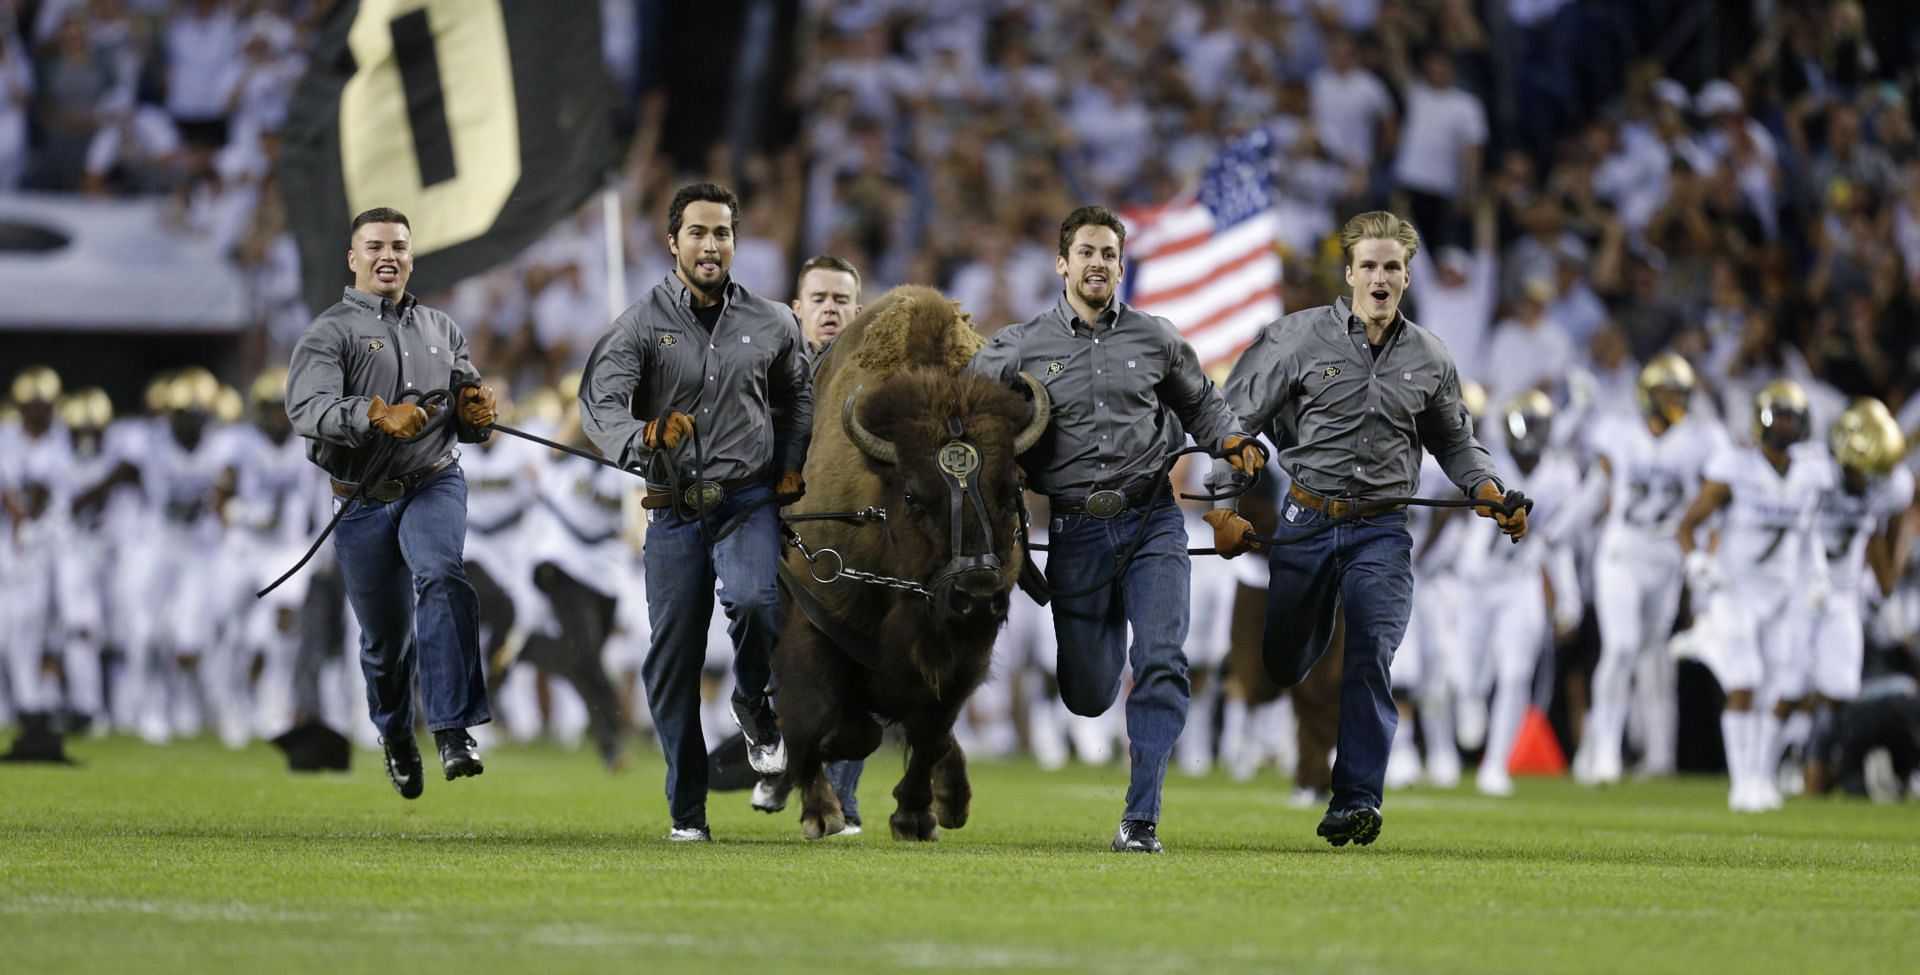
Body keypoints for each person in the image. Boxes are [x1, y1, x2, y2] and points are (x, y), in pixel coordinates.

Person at [1210, 210, 1526, 847]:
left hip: (1381, 528)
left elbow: (1457, 444)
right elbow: (1233, 422)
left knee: (1370, 655)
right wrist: (1224, 506)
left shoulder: (1431, 357)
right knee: (1283, 661)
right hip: (1304, 520)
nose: (1380, 278)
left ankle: (1356, 798)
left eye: (1393, 267)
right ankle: (1288, 676)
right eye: (1370, 266)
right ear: (1349, 273)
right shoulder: (1294, 340)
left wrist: (1487, 490)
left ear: (1407, 277)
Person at [970, 205, 1262, 854]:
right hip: (1076, 530)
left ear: (1121, 264)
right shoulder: (1018, 346)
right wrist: (998, 454)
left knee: (1162, 658)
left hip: (1152, 518)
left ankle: (1142, 818)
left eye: (1108, 253)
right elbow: (963, 413)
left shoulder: (1157, 338)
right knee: (1088, 690)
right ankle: (1096, 720)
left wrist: (1234, 440)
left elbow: (1204, 404)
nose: (1097, 262)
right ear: (1061, 263)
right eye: (1086, 252)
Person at [578, 182, 813, 842]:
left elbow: (799, 396)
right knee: (673, 661)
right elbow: (601, 402)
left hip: (747, 500)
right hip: (675, 510)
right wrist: (644, 436)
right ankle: (688, 808)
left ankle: (753, 703)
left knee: (757, 598)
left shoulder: (773, 320)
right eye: (699, 233)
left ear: (735, 241)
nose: (711, 245)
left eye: (722, 233)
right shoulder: (638, 323)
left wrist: (792, 456)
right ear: (673, 241)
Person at [285, 206, 499, 800]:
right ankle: (396, 735)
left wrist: (479, 414)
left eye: (399, 246)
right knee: (384, 643)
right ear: (353, 259)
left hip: (433, 480)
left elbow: (470, 398)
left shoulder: (442, 328)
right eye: (375, 246)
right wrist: (374, 414)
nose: (388, 256)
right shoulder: (328, 333)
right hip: (361, 499)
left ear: (411, 256)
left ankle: (452, 728)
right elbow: (307, 410)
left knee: (442, 574)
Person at [1675, 380, 1834, 812]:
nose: (1785, 425)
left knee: (1775, 689)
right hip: (1736, 590)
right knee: (1744, 679)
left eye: (1792, 417)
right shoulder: (1737, 466)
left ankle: (1761, 776)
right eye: (1779, 415)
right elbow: (1687, 525)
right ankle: (1741, 782)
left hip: (1781, 594)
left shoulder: (1811, 471)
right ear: (1763, 418)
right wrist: (1695, 562)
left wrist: (1817, 574)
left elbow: (1809, 534)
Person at [1575, 354, 1728, 786]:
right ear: (1647, 395)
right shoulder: (1620, 433)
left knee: (1647, 653)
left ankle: (1640, 748)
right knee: (1620, 647)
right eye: (1667, 392)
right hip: (1622, 553)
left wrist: (1707, 556)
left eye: (1680, 393)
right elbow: (1594, 492)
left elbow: (1714, 505)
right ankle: (1605, 745)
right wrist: (1555, 533)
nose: (1674, 400)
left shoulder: (1701, 439)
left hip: (1665, 562)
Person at [1806, 399, 1913, 792]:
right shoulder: (1813, 471)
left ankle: (1809, 758)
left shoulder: (1891, 484)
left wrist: (1887, 576)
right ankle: (1773, 764)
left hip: (1845, 589)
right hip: (1799, 586)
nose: (1872, 481)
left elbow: (1892, 515)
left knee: (1842, 687)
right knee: (1790, 682)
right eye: (1866, 471)